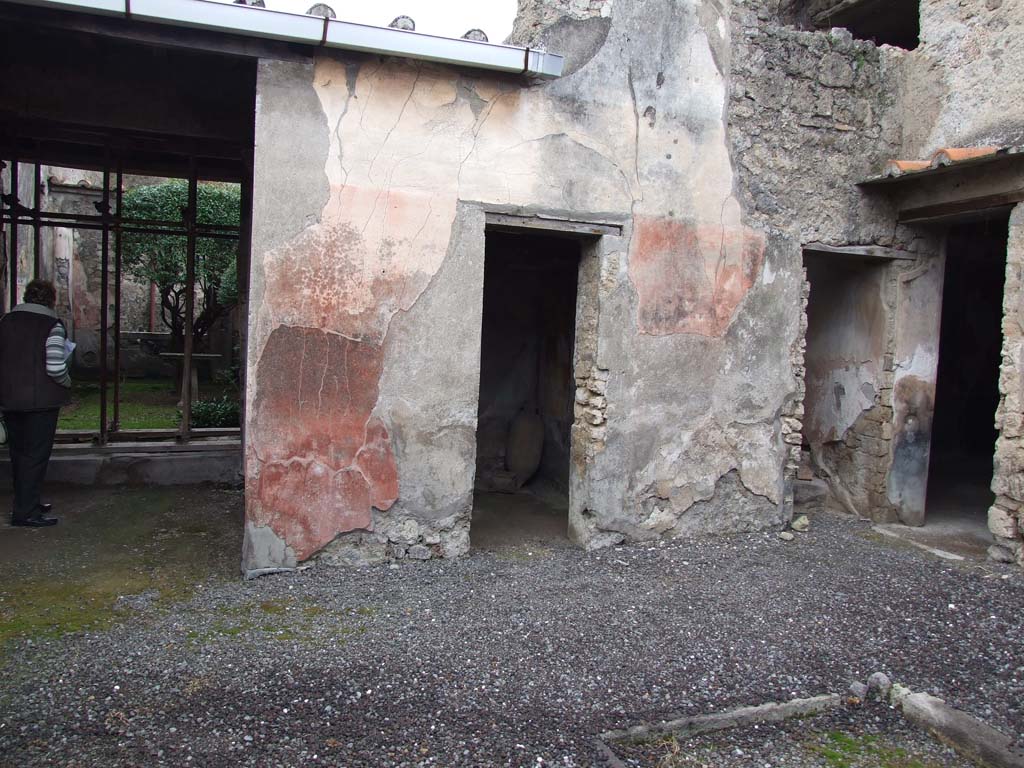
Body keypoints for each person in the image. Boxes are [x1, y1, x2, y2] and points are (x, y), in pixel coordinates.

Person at [0, 279, 72, 527]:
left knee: (18, 454)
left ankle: (27, 502)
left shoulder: (5, 322)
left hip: (10, 398)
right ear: (51, 299)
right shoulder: (52, 325)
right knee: (36, 456)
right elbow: (54, 366)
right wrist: (67, 381)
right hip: (41, 402)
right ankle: (26, 512)